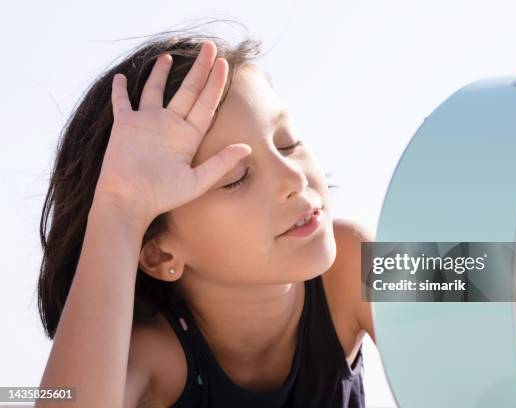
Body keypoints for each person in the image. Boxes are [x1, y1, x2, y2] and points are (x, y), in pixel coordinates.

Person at [36, 26, 376, 407]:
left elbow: (454, 279)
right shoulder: (155, 360)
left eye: (288, 142)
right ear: (161, 255)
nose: (294, 178)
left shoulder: (356, 261)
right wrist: (119, 210)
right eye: (237, 178)